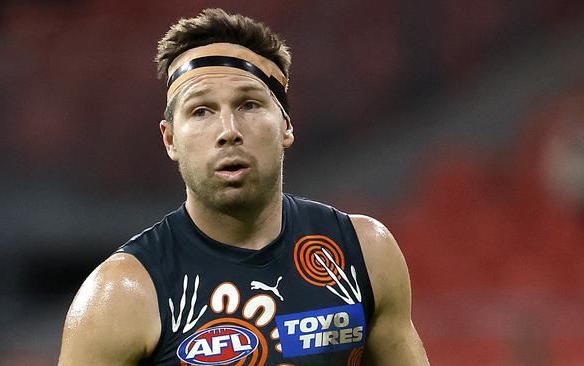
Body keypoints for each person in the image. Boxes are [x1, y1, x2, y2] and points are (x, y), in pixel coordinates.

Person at [59, 8, 428, 366]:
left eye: (248, 105)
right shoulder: (121, 294)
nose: (228, 131)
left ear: (285, 126)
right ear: (170, 139)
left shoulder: (362, 254)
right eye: (200, 111)